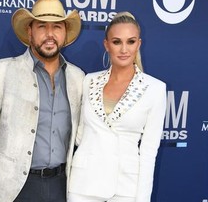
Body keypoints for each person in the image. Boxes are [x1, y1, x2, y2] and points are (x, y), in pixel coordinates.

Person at [0, 0, 84, 202]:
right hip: (13, 188)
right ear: (29, 32)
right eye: (42, 27)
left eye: (57, 27)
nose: (50, 34)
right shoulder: (2, 71)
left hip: (61, 187)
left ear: (65, 34)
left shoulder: (77, 77)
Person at [68, 12, 167, 202]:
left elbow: (148, 152)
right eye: (116, 42)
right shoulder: (89, 81)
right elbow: (80, 134)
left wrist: (142, 199)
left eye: (130, 42)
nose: (124, 49)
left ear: (139, 44)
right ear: (106, 45)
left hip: (126, 188)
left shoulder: (155, 89)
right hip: (83, 185)